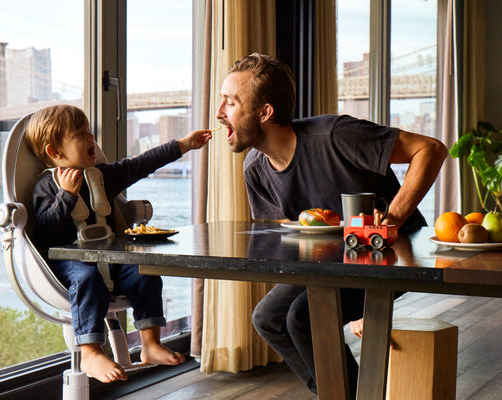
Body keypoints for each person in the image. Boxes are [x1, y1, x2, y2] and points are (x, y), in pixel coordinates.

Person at [215, 53, 448, 398]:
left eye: (231, 102)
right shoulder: (255, 168)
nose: (219, 112)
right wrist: (342, 294)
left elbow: (430, 149)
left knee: (302, 318)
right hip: (332, 259)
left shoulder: (336, 135)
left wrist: (392, 221)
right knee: (269, 318)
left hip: (392, 251)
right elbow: (285, 242)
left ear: (264, 113)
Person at [24, 104, 212, 384]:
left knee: (144, 271)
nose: (91, 139)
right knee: (87, 279)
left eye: (89, 131)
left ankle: (150, 343)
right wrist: (66, 196)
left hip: (111, 259)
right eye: (81, 134)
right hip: (70, 265)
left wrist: (183, 145)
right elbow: (45, 233)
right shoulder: (47, 188)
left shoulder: (103, 176)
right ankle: (90, 352)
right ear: (55, 152)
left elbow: (142, 163)